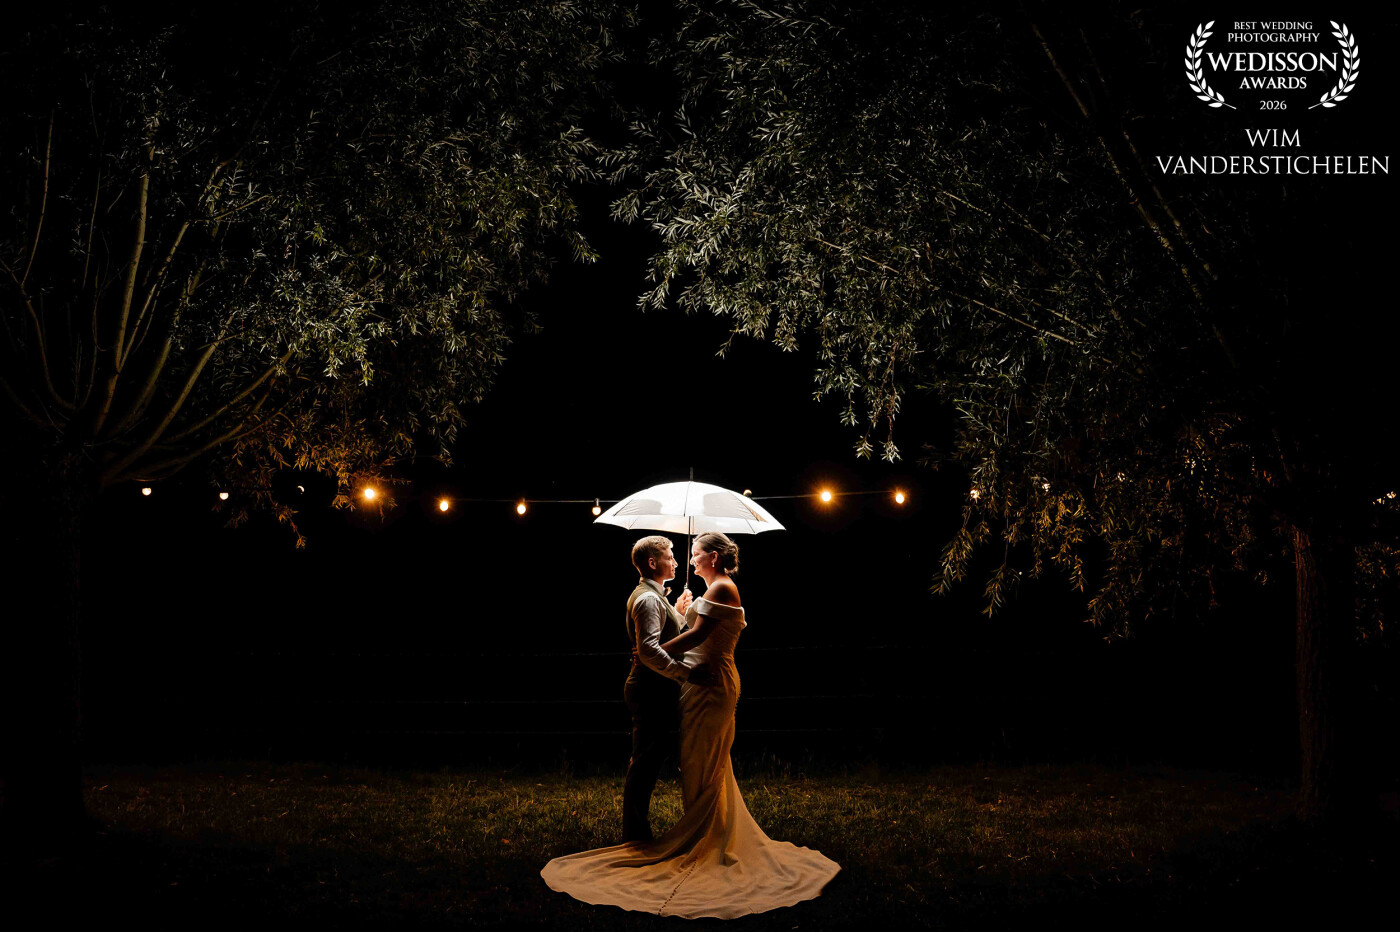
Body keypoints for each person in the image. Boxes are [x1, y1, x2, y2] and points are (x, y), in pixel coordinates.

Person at [541, 531, 841, 919]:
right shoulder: (682, 593)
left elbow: (697, 635)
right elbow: (691, 632)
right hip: (696, 682)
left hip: (710, 683)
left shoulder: (721, 588)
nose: (687, 559)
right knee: (694, 761)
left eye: (695, 553)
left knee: (703, 760)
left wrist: (652, 651)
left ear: (713, 557)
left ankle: (708, 836)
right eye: (681, 555)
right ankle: (690, 831)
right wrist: (678, 617)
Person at [620, 535, 710, 842]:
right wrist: (686, 674)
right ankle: (635, 833)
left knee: (649, 757)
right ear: (652, 562)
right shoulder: (647, 599)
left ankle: (636, 829)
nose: (675, 561)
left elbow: (659, 639)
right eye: (669, 556)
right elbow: (649, 650)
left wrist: (678, 612)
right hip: (649, 690)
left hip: (654, 688)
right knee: (645, 761)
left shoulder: (655, 597)